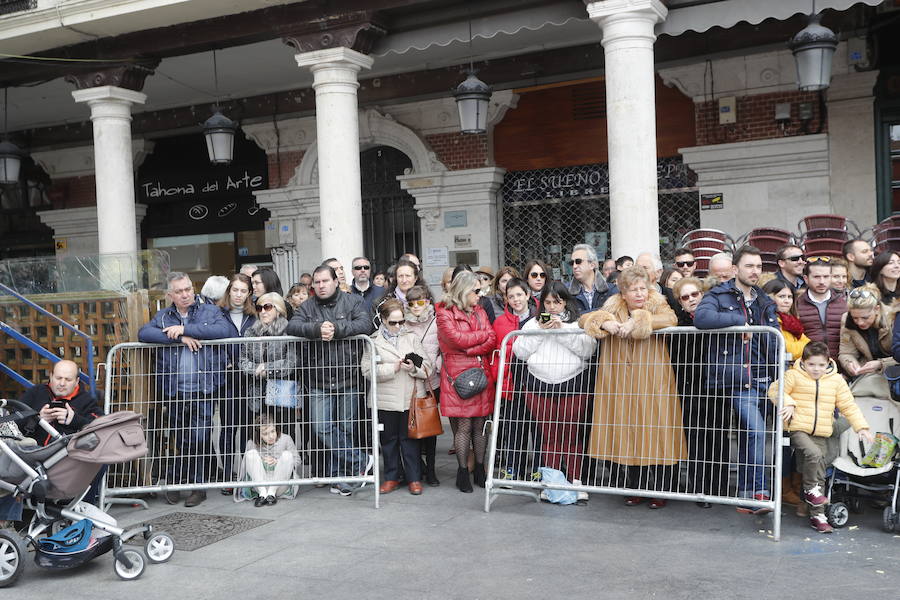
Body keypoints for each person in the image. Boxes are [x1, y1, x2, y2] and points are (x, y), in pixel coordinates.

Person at [580, 266, 686, 509]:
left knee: (657, 429)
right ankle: (634, 486)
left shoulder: (657, 302)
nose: (639, 293)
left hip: (653, 379)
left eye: (643, 288)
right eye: (633, 289)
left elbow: (671, 318)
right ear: (623, 292)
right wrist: (603, 322)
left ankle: (661, 488)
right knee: (630, 430)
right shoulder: (612, 306)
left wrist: (639, 319)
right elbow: (583, 318)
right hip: (622, 380)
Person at [694, 246, 781, 514]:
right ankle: (760, 492)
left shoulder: (764, 298)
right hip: (740, 380)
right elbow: (701, 317)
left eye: (758, 267)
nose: (755, 271)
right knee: (756, 431)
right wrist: (739, 321)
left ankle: (745, 495)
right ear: (735, 269)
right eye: (749, 266)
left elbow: (773, 335)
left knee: (748, 436)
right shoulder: (718, 294)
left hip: (767, 378)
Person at [138, 271, 231, 507]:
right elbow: (143, 333)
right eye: (179, 291)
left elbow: (222, 331)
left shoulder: (209, 310)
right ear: (170, 295)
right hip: (174, 390)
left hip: (204, 388)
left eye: (188, 289)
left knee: (199, 438)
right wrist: (177, 338)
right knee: (182, 438)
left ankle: (195, 486)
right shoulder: (163, 316)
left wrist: (186, 330)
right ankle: (179, 481)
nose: (185, 294)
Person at [285, 265, 374, 496]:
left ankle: (341, 478)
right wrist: (316, 329)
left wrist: (336, 328)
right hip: (318, 379)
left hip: (348, 376)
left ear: (336, 281)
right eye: (317, 282)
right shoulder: (307, 306)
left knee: (345, 429)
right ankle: (362, 460)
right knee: (321, 427)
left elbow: (365, 324)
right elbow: (292, 326)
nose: (321, 285)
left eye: (325, 281)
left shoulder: (353, 302)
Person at [769, 342, 873, 533]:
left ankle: (818, 515)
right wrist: (789, 402)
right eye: (811, 365)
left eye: (821, 365)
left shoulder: (836, 381)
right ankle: (810, 492)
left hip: (821, 431)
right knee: (814, 454)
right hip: (798, 428)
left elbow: (849, 406)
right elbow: (775, 390)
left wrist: (862, 427)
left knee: (819, 470)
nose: (816, 369)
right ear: (804, 362)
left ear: (828, 363)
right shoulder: (793, 375)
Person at [513, 282, 596, 501]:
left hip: (572, 386)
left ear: (565, 301)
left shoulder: (577, 322)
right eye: (548, 302)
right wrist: (541, 331)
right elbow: (519, 352)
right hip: (538, 387)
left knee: (571, 437)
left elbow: (588, 350)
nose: (552, 307)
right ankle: (550, 483)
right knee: (549, 437)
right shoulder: (533, 323)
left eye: (557, 302)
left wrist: (561, 331)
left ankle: (576, 481)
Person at [0, 360, 105, 524]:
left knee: (100, 457)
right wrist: (36, 419)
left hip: (64, 464)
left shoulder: (85, 401)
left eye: (68, 380)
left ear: (77, 381)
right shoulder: (35, 393)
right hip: (33, 458)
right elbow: (12, 425)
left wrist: (74, 420)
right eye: (58, 378)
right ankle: (9, 519)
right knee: (10, 454)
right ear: (50, 377)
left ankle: (86, 506)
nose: (62, 383)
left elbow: (101, 424)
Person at [362, 299, 432, 496]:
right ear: (383, 320)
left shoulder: (411, 337)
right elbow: (367, 370)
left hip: (410, 397)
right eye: (393, 322)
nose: (398, 326)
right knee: (388, 440)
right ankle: (391, 477)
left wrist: (414, 369)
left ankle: (414, 478)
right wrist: (392, 368)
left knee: (411, 441)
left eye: (401, 321)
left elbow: (428, 367)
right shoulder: (373, 340)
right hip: (385, 399)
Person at [669, 277, 730, 506]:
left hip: (717, 386)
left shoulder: (716, 318)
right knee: (697, 440)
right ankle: (701, 490)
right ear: (680, 302)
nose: (691, 299)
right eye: (685, 297)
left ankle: (720, 488)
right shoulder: (678, 324)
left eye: (695, 294)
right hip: (690, 389)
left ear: (703, 295)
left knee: (719, 437)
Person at [437, 271, 497, 493]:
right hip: (458, 377)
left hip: (480, 373)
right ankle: (463, 472)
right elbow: (455, 339)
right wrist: (475, 342)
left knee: (481, 426)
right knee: (463, 426)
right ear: (463, 290)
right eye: (476, 291)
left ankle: (480, 469)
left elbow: (491, 339)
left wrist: (469, 349)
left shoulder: (480, 311)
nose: (480, 295)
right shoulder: (445, 313)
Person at [492, 277, 538, 482]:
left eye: (519, 294)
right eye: (511, 296)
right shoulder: (501, 322)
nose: (516, 299)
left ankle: (538, 469)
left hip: (537, 379)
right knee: (514, 427)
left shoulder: (540, 318)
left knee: (538, 429)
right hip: (512, 381)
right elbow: (496, 352)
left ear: (528, 295)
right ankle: (512, 467)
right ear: (506, 300)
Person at [217, 273, 258, 490]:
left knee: (247, 428)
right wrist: (224, 362)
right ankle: (227, 475)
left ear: (249, 293)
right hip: (227, 380)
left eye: (243, 291)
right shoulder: (218, 314)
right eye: (235, 290)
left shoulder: (254, 316)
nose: (239, 295)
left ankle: (244, 474)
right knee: (228, 428)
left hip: (249, 380)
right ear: (229, 291)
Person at [403, 285, 442, 486]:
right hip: (410, 382)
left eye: (420, 302)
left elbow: (444, 347)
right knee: (412, 427)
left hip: (432, 380)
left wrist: (439, 362)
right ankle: (419, 468)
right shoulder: (403, 324)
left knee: (431, 428)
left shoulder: (437, 322)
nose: (416, 307)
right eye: (411, 303)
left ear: (428, 301)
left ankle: (432, 469)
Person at [239, 292, 297, 427]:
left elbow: (291, 362)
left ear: (278, 310)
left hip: (282, 391)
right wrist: (255, 370)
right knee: (260, 432)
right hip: (257, 390)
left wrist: (266, 368)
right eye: (259, 308)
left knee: (284, 430)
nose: (263, 311)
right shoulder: (251, 332)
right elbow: (242, 360)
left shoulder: (289, 331)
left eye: (268, 307)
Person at [237, 414, 301, 507]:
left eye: (273, 431)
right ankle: (262, 494)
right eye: (265, 434)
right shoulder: (252, 442)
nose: (271, 436)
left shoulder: (286, 439)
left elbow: (297, 460)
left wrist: (278, 461)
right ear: (258, 434)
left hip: (280, 484)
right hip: (259, 484)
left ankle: (271, 493)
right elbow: (248, 467)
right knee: (250, 454)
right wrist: (260, 460)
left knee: (287, 455)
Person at [839, 284, 896, 378]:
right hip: (867, 373)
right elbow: (846, 352)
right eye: (855, 318)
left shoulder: (894, 318)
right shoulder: (846, 319)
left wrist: (881, 364)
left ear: (877, 309)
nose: (860, 322)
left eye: (865, 317)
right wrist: (850, 364)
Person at [795, 257, 847, 359]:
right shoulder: (796, 305)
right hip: (809, 364)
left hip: (840, 365)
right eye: (816, 277)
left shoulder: (844, 304)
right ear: (806, 279)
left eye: (826, 276)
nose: (822, 281)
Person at [761, 279, 810, 362]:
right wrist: (803, 348)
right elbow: (786, 348)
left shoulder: (792, 320)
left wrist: (804, 348)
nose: (787, 301)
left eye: (789, 297)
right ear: (769, 298)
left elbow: (809, 345)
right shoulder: (767, 321)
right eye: (782, 296)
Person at [568, 243, 613, 313]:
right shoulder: (566, 291)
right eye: (572, 263)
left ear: (592, 265)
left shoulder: (611, 290)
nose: (574, 266)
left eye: (578, 261)